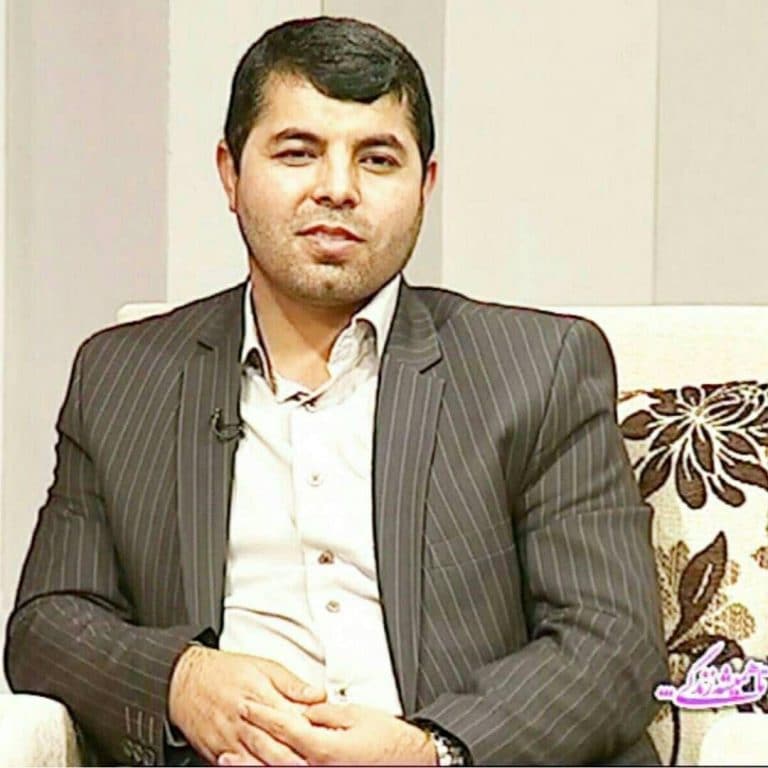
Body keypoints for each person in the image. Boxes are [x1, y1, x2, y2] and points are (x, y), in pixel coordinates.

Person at [4, 16, 667, 767]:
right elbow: (48, 627)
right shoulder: (125, 378)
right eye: (298, 152)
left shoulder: (536, 367)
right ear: (230, 172)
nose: (338, 189)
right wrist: (178, 680)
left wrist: (429, 751)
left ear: (425, 185)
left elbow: (612, 640)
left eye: (377, 159)